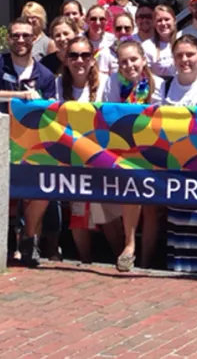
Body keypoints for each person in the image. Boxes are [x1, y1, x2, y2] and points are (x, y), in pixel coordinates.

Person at [0, 17, 57, 266]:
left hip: (33, 144)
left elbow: (51, 110)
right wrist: (20, 96)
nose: (20, 40)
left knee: (39, 193)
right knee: (1, 194)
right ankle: (2, 245)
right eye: (15, 35)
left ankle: (29, 240)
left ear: (34, 39)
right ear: (9, 38)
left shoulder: (45, 75)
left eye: (26, 35)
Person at [56, 36, 125, 264]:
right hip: (71, 156)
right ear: (66, 60)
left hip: (101, 155)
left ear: (93, 58)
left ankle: (120, 260)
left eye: (85, 55)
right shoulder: (58, 85)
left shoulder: (107, 83)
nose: (79, 60)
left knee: (107, 211)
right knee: (78, 212)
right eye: (74, 55)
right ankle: (84, 261)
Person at [102, 40, 165, 271]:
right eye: (123, 62)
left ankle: (146, 259)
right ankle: (129, 246)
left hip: (153, 147)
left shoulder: (158, 83)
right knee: (131, 194)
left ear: (143, 59)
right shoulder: (113, 83)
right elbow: (107, 113)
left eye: (134, 59)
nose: (129, 65)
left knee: (151, 207)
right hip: (124, 147)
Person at [142, 5, 177, 78]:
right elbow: (146, 75)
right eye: (159, 20)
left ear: (174, 21)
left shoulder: (183, 41)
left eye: (167, 19)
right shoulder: (147, 46)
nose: (163, 23)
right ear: (154, 24)